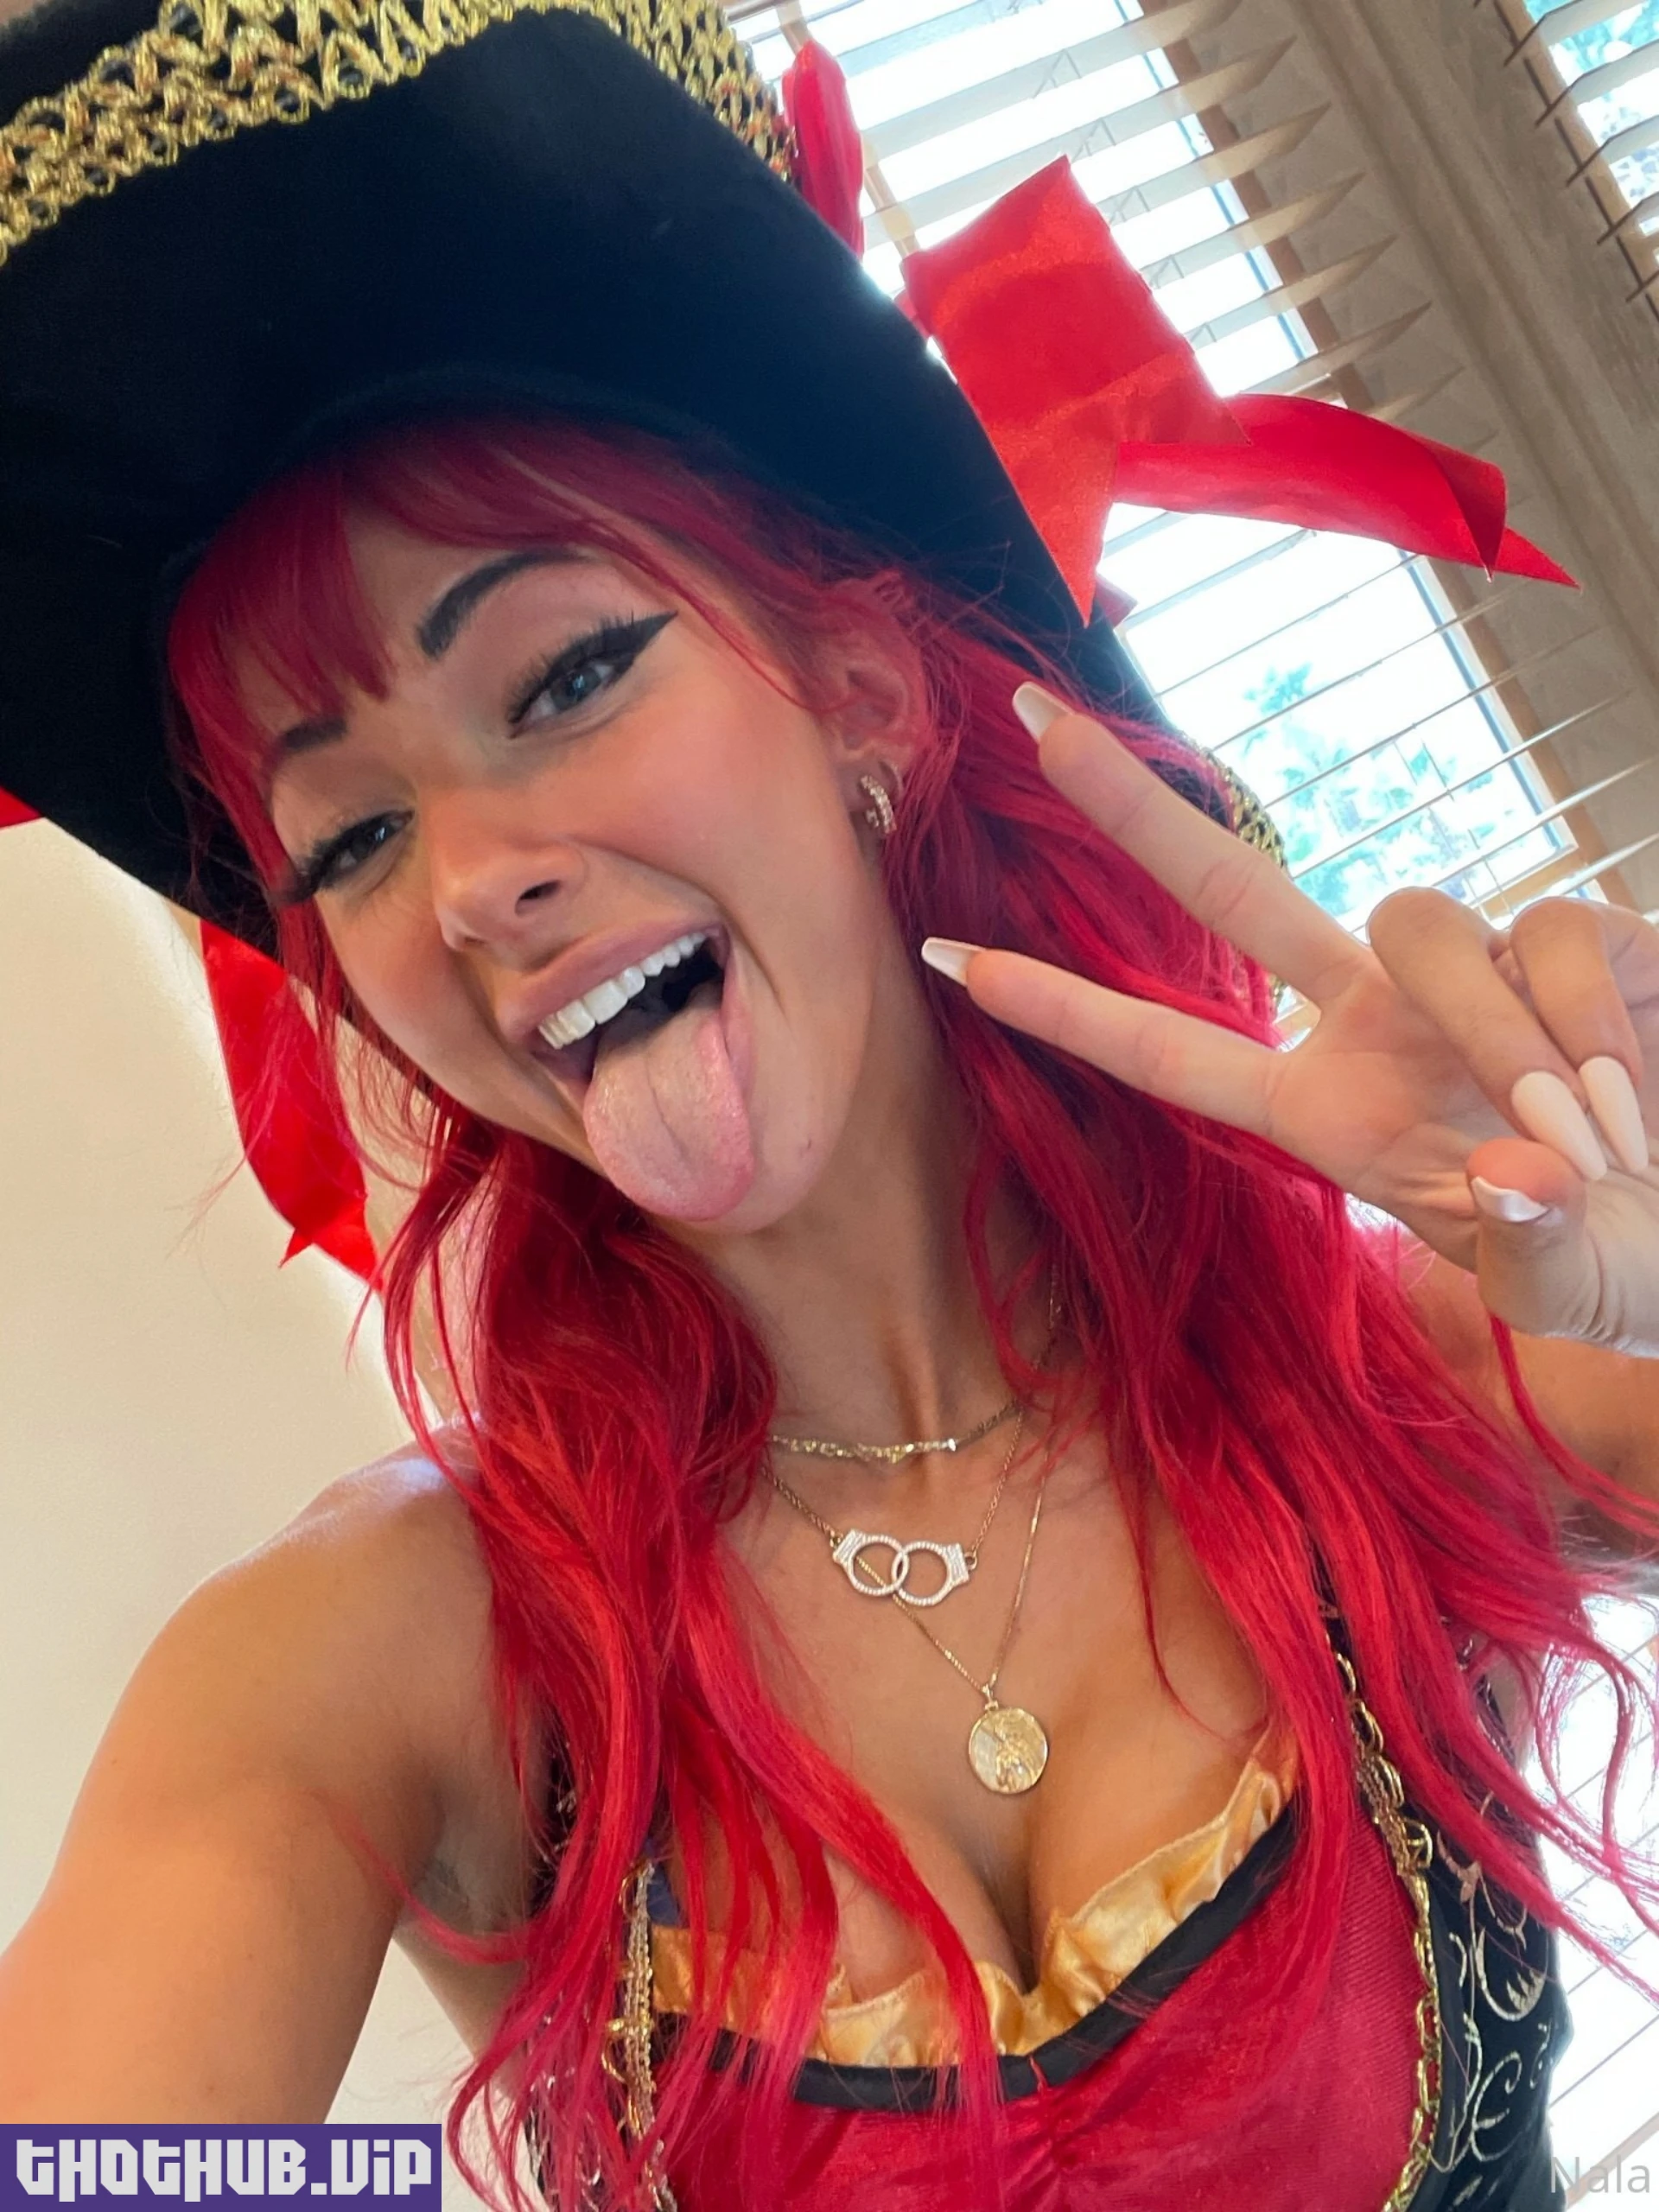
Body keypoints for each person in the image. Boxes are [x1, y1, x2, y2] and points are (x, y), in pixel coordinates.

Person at [0, 3, 1656, 2208]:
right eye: (355, 839)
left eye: (568, 675)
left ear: (859, 692)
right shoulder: (383, 1659)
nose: (472, 880)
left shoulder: (1420, 1374)